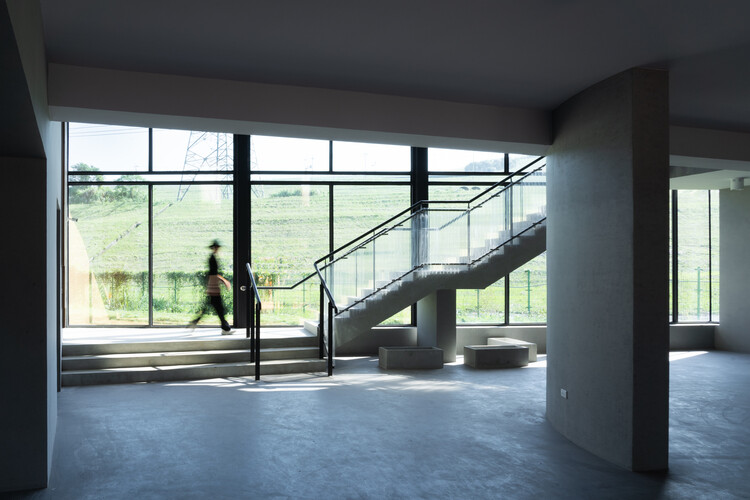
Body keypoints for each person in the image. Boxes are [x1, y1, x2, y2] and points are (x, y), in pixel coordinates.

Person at [189, 240, 232, 334]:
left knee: (216, 308)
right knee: (220, 309)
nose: (218, 249)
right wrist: (224, 281)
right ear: (214, 248)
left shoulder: (212, 257)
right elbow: (213, 274)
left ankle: (195, 322)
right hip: (214, 287)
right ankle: (225, 329)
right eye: (216, 247)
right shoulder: (212, 258)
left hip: (212, 287)